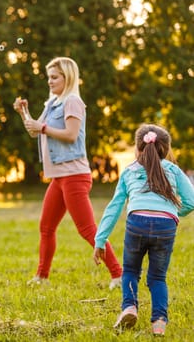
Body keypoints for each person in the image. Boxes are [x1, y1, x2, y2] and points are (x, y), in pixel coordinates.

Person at [13, 57, 122, 288]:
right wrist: (24, 113)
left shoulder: (72, 102)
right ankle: (41, 277)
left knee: (87, 229)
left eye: (54, 77)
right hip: (59, 178)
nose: (50, 81)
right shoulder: (52, 103)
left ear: (67, 77)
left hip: (74, 175)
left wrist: (41, 127)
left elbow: (71, 134)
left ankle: (118, 274)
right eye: (49, 77)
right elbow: (35, 131)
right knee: (46, 227)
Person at [93, 124, 194, 336]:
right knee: (157, 277)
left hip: (137, 222)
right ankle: (159, 322)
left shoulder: (129, 171)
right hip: (166, 226)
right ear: (165, 149)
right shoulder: (174, 170)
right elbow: (191, 201)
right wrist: (174, 213)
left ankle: (129, 307)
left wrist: (100, 240)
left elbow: (114, 207)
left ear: (138, 149)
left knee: (130, 271)